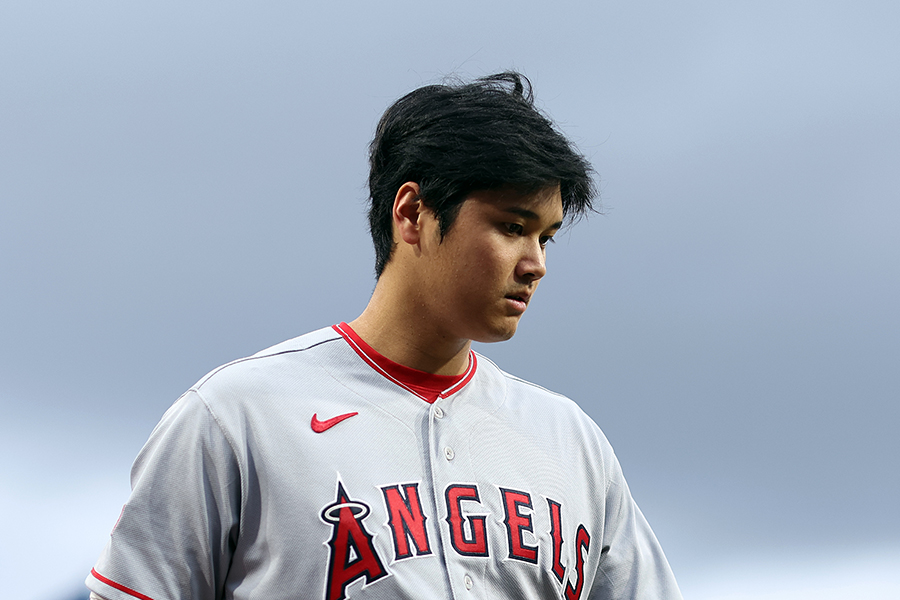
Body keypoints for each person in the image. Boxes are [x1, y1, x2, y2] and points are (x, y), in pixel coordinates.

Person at [87, 72, 681, 600]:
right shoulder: (236, 417)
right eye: (511, 226)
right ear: (412, 212)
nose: (536, 263)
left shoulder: (571, 441)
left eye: (545, 236)